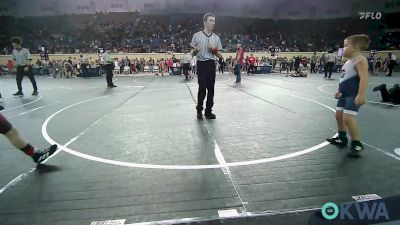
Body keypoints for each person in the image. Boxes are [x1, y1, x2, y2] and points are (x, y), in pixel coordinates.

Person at [326, 34, 370, 157]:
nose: (343, 48)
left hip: (352, 95)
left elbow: (364, 78)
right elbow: (343, 78)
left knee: (348, 118)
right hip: (343, 94)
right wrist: (338, 90)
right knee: (339, 116)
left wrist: (361, 94)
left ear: (355, 47)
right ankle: (342, 138)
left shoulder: (361, 60)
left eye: (345, 46)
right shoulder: (347, 63)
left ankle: (357, 143)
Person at [190, 13, 223, 120]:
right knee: (202, 88)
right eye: (210, 20)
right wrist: (196, 50)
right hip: (201, 64)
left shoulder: (216, 38)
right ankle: (199, 109)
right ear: (205, 22)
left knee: (211, 89)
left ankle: (208, 111)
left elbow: (220, 56)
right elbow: (192, 54)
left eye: (214, 21)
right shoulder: (196, 36)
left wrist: (214, 49)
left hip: (211, 64)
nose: (213, 23)